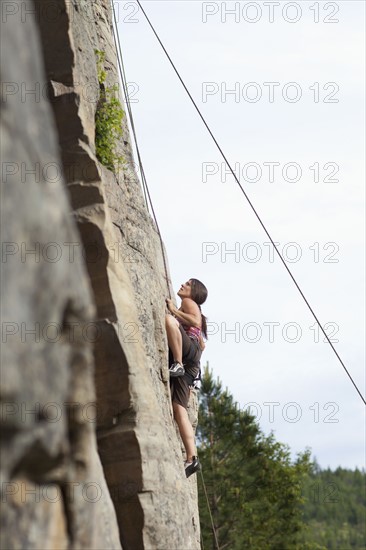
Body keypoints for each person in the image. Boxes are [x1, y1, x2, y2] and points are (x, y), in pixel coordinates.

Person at [165, 278, 208, 478]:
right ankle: (192, 458)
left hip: (188, 356)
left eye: (188, 285)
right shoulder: (192, 306)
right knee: (178, 408)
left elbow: (195, 322)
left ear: (194, 293)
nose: (183, 285)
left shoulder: (190, 303)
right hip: (193, 363)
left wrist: (174, 310)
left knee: (169, 321)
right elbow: (203, 344)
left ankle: (178, 363)